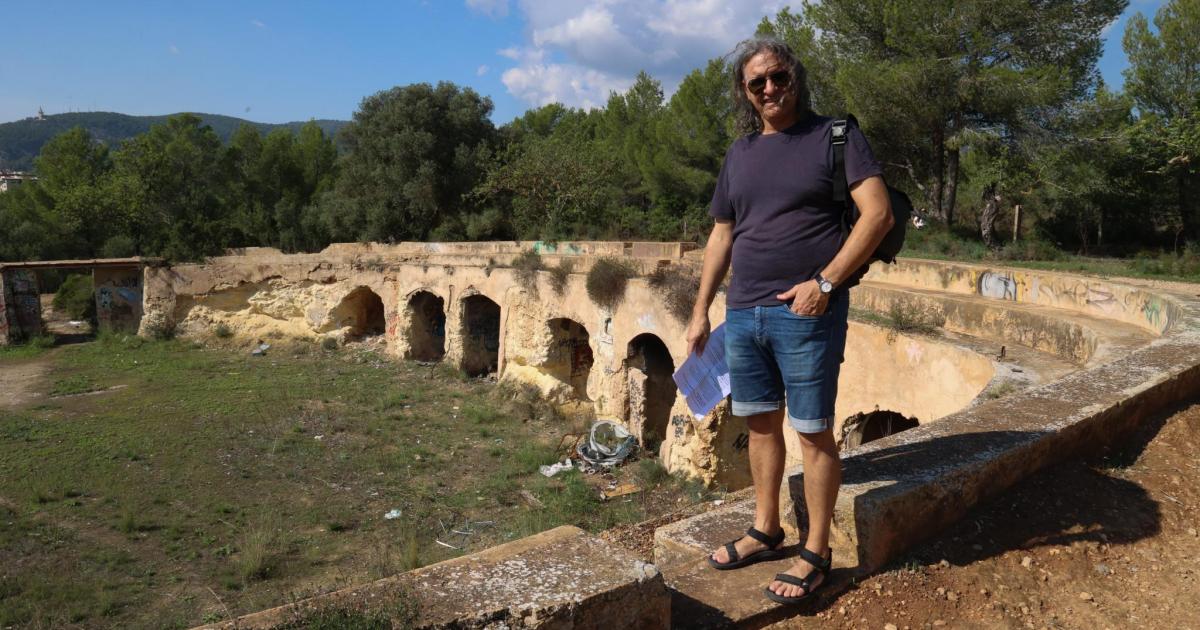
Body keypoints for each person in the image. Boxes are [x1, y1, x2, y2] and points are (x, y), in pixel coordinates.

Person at [686, 35, 894, 605]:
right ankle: (766, 529)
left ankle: (816, 550)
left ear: (796, 78)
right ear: (746, 93)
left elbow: (877, 214)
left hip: (806, 312)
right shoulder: (740, 154)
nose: (771, 89)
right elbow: (722, 233)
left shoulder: (837, 136)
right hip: (743, 311)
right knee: (758, 424)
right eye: (758, 83)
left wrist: (825, 283)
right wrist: (702, 308)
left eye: (779, 77)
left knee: (813, 430)